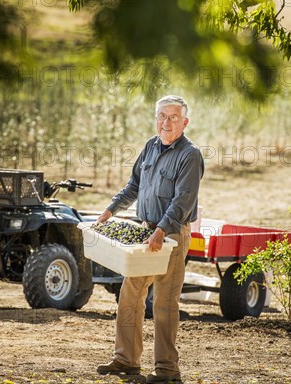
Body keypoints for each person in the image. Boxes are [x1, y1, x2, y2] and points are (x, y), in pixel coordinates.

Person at [95, 95, 204, 383]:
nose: (166, 122)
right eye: (162, 116)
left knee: (165, 303)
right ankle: (126, 359)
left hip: (171, 235)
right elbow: (134, 185)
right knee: (130, 294)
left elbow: (182, 201)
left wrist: (161, 230)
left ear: (184, 122)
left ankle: (167, 369)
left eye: (172, 117)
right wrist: (110, 209)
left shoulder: (190, 155)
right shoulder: (150, 146)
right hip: (144, 232)